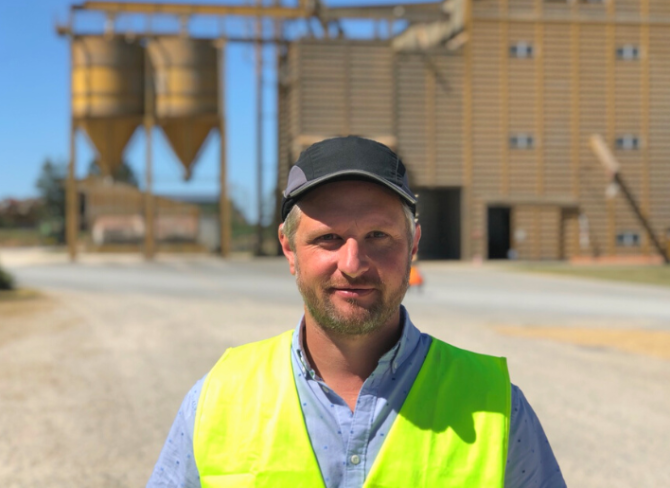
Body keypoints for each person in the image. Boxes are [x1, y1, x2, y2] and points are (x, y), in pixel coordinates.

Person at [147, 136, 566, 488]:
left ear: (413, 245)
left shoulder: (497, 410)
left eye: (378, 235)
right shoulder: (215, 402)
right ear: (289, 248)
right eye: (328, 238)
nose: (352, 263)